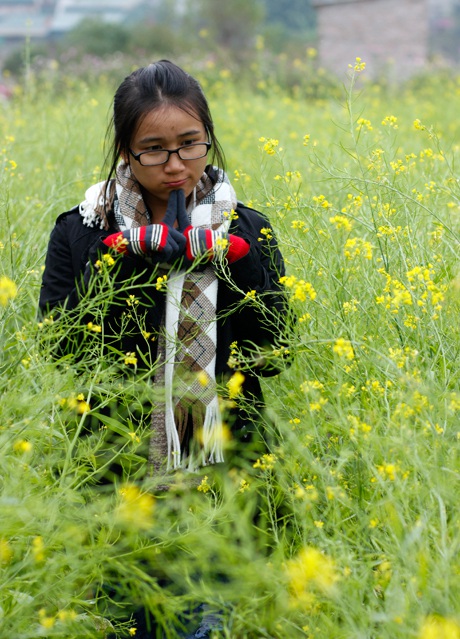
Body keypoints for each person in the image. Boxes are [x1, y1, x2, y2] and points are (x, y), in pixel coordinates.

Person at [39, 60, 288, 637]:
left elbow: (274, 353)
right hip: (116, 473)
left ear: (208, 140)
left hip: (221, 477)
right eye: (153, 149)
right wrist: (121, 262)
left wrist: (236, 263)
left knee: (207, 620)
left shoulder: (246, 230)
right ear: (125, 151)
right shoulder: (78, 231)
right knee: (127, 619)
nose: (175, 165)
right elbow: (61, 349)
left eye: (189, 145)